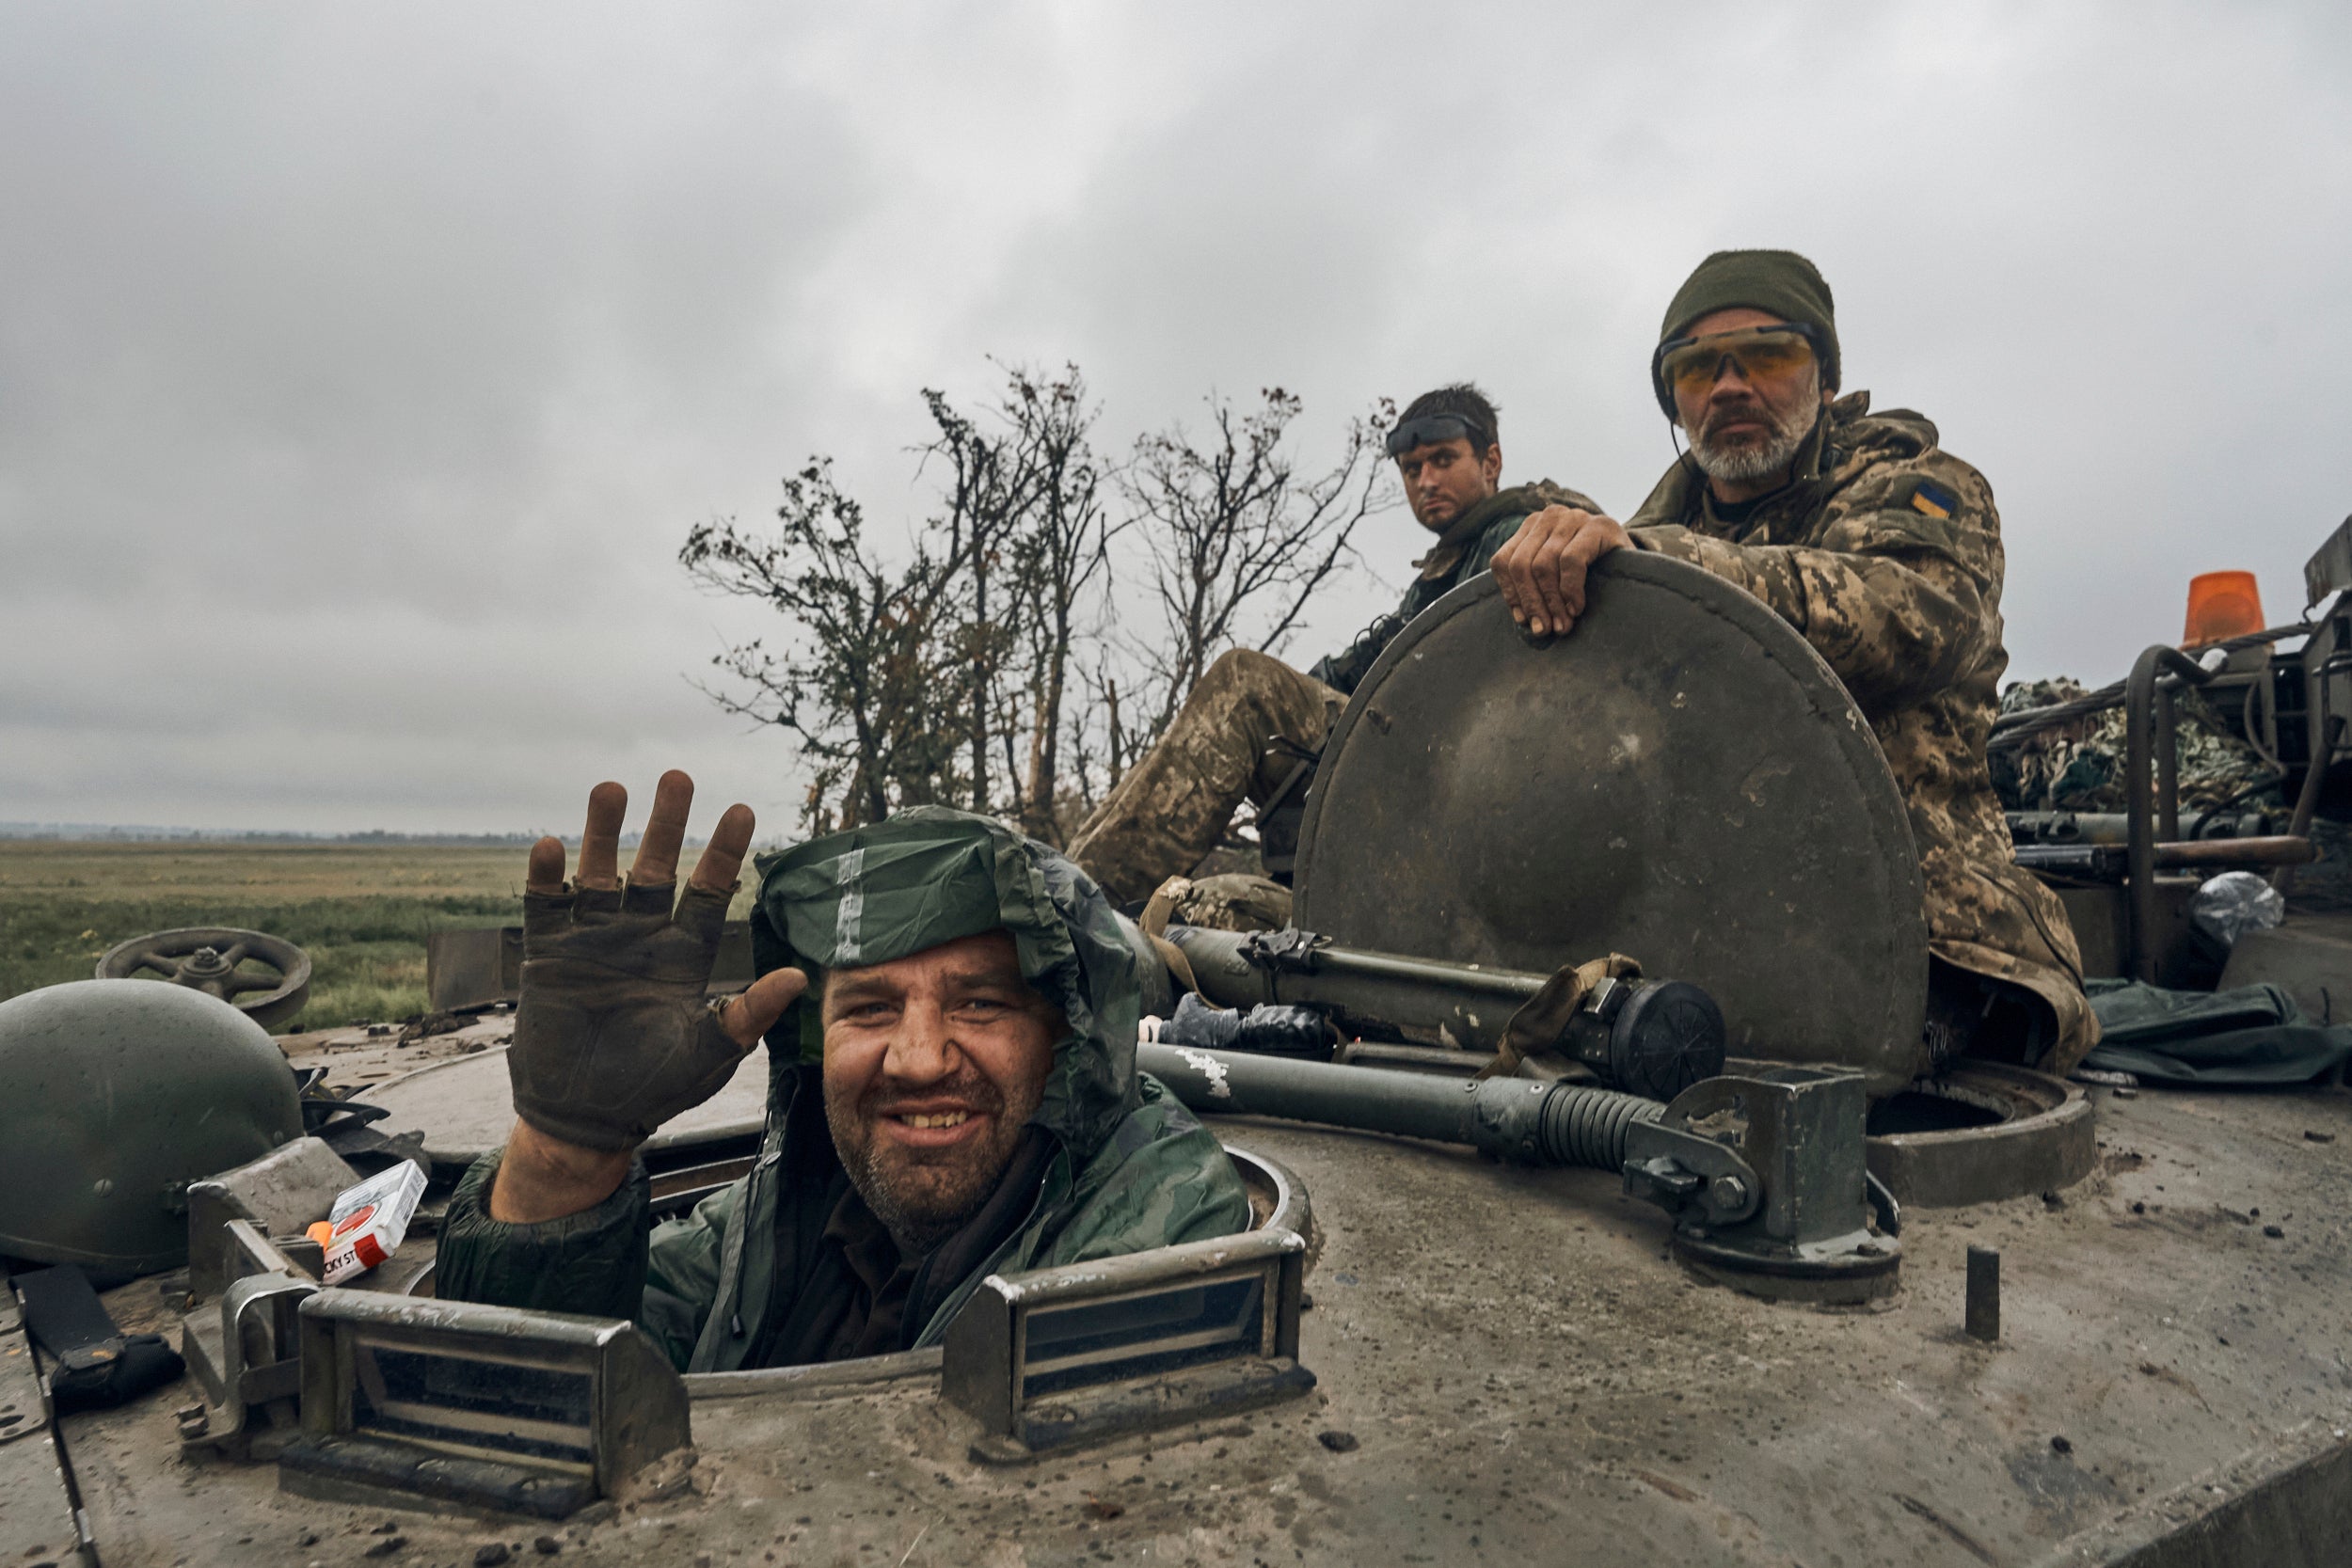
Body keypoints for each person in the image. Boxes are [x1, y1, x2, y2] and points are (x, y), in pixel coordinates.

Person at [1486, 249, 2098, 1074]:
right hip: (1688, 908)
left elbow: (1912, 619)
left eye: (1768, 355)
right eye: (1697, 367)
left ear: (1828, 379)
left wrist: (1661, 568)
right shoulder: (1645, 538)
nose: (1730, 385)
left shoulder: (1919, 487)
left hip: (1913, 918)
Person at [437, 771, 1250, 1370]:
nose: (920, 1058)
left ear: (1064, 1041)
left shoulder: (1154, 1221)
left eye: (979, 1005)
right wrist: (564, 1152)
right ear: (813, 1042)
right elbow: (526, 1389)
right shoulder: (777, 1220)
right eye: (868, 1008)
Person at [1068, 383, 1600, 910]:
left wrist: (1264, 702)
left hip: (1467, 785)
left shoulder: (1521, 540)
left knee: (1245, 686)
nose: (1426, 480)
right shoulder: (1442, 573)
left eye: (1442, 459)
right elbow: (1351, 671)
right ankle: (1070, 876)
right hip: (1417, 772)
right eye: (1412, 469)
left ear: (1491, 462)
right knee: (1243, 722)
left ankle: (1076, 909)